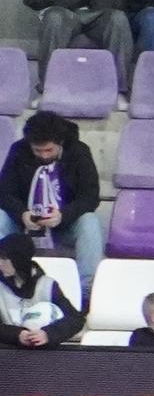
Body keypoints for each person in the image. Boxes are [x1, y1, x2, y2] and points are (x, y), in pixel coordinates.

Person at [0, 108, 97, 284]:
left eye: (49, 150)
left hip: (64, 224)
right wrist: (22, 214)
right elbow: (4, 193)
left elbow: (90, 196)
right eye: (38, 150)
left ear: (60, 142)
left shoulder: (79, 152)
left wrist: (63, 216)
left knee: (90, 223)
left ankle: (87, 288)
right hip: (25, 224)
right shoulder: (18, 151)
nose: (44, 155)